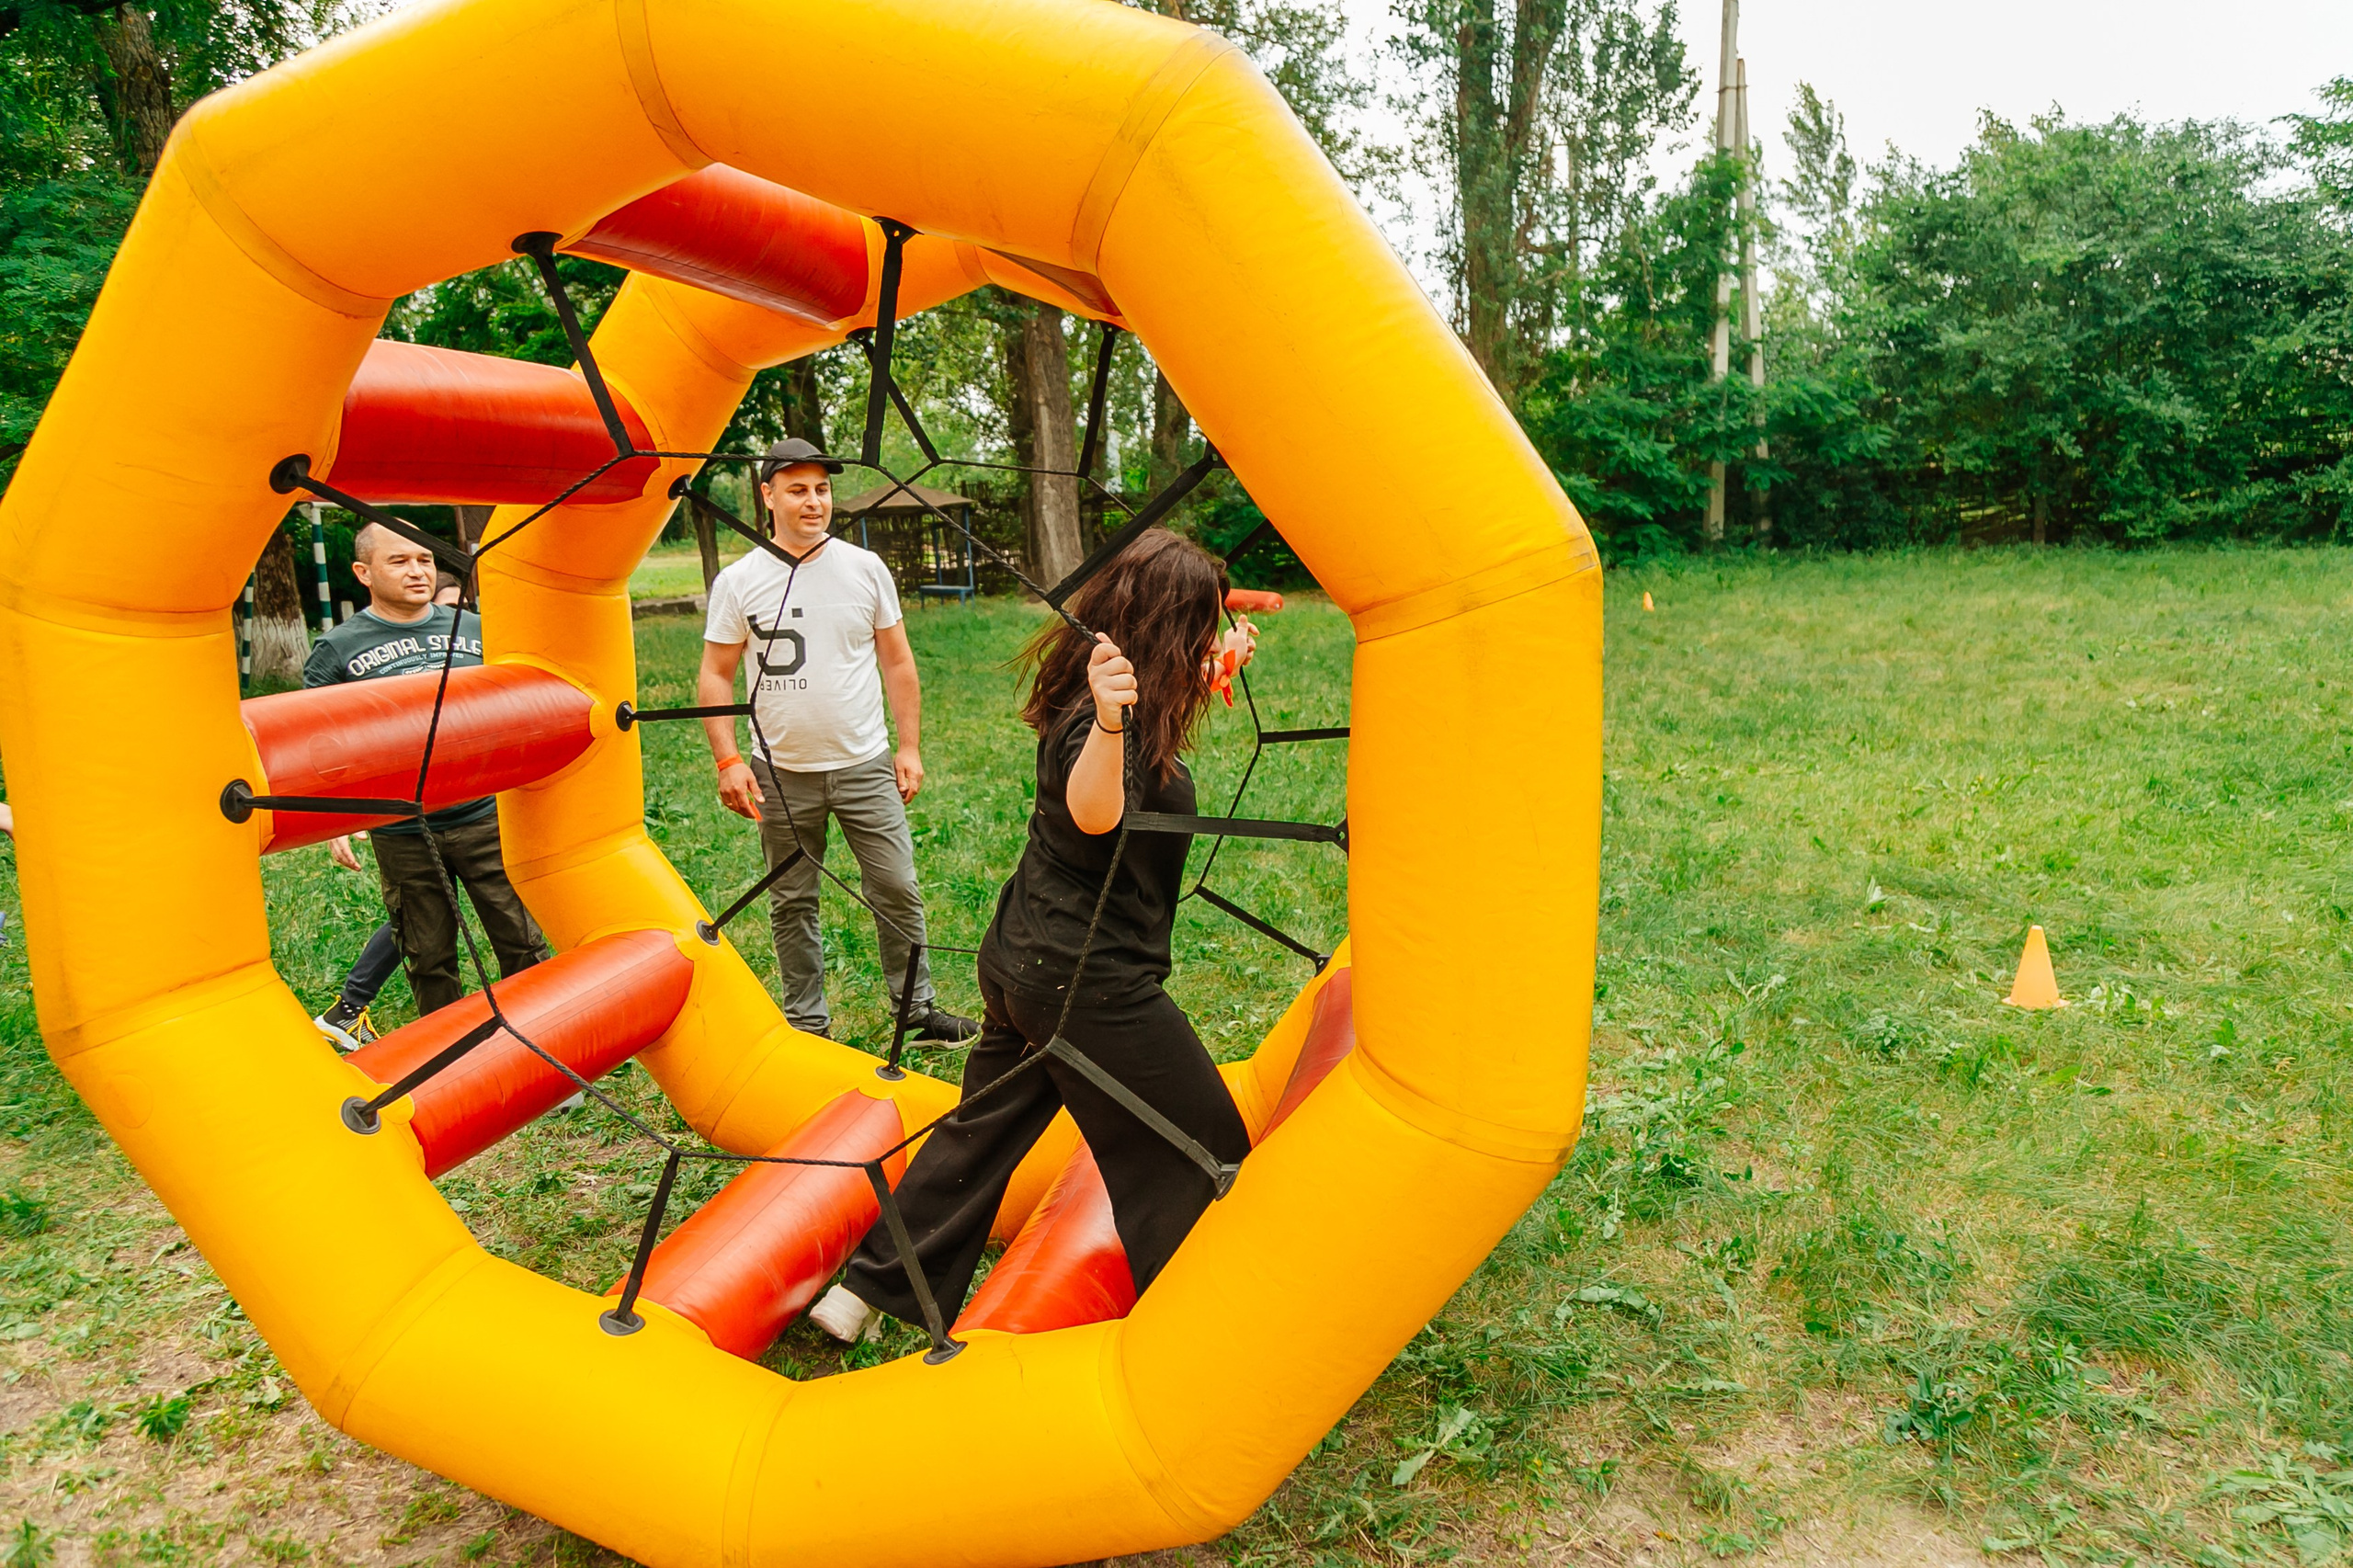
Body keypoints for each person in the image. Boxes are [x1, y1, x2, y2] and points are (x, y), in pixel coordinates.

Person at [810, 528, 1258, 1343]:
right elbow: (1097, 808)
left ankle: (864, 1292)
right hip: (1090, 988)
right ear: (1166, 627)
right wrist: (1118, 728)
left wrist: (1216, 665)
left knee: (977, 1138)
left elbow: (1137, 721)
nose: (1204, 641)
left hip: (1025, 960)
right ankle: (1203, 1329)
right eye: (1199, 625)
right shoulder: (1106, 719)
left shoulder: (1098, 687)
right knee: (1203, 1142)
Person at [697, 437, 975, 1042]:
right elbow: (716, 673)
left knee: (897, 887)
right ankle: (807, 1027)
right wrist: (726, 759)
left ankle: (918, 1011)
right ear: (767, 496)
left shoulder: (865, 569)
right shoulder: (739, 582)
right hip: (779, 772)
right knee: (793, 899)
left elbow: (898, 663)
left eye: (822, 489)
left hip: (865, 765)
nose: (814, 501)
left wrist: (909, 747)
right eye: (797, 490)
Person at [305, 528, 547, 1019]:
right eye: (399, 561)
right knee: (427, 953)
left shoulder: (479, 629)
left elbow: (522, 706)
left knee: (521, 939)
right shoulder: (337, 649)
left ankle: (545, 1046)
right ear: (364, 573)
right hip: (402, 830)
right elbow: (318, 743)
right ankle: (452, 1058)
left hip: (486, 817)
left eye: (424, 559)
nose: (418, 571)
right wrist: (337, 818)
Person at [313, 572, 466, 1050]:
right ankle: (350, 1006)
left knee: (435, 909)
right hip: (410, 814)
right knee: (422, 915)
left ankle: (349, 1006)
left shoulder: (472, 639)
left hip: (469, 801)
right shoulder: (355, 649)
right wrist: (335, 814)